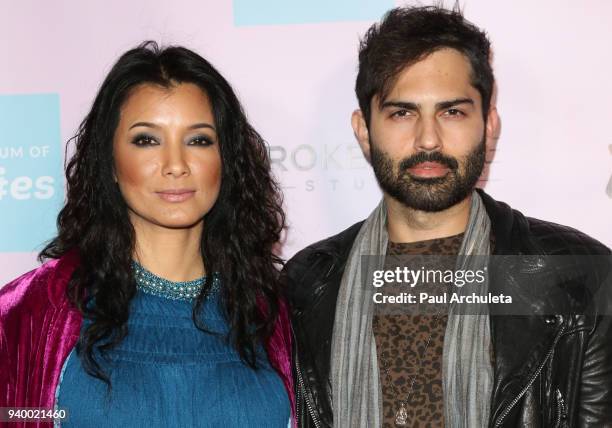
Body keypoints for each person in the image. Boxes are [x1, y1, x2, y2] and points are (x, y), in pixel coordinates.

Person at [284, 5, 611, 428]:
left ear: (489, 126)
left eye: (452, 111)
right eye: (402, 112)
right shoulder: (306, 284)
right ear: (364, 131)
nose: (428, 139)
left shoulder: (580, 278)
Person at [0, 41, 294, 427]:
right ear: (110, 162)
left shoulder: (269, 313)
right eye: (146, 140)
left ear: (227, 160)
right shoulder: (36, 311)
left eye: (199, 140)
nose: (176, 164)